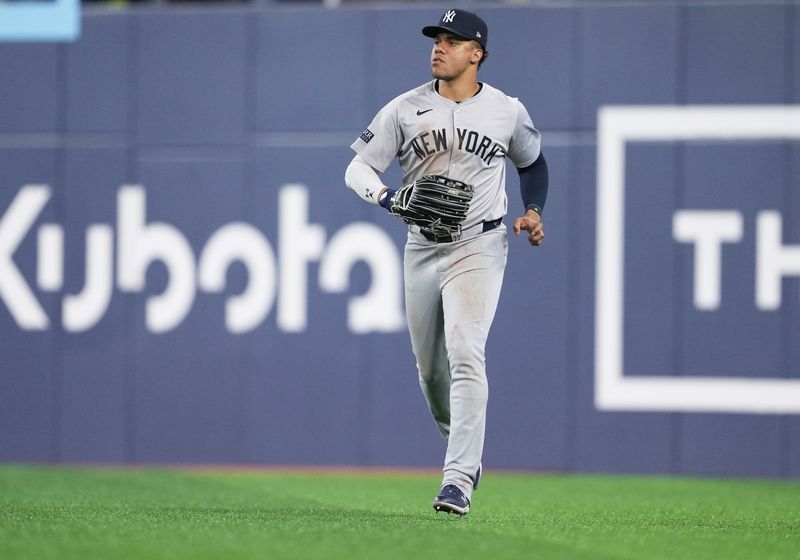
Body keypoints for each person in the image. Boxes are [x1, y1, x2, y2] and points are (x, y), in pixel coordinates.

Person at [344, 8, 548, 516]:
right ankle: (466, 452)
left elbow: (533, 162)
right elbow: (356, 168)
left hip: (479, 244)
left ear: (476, 53)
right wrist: (389, 198)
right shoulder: (404, 108)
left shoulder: (506, 110)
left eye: (452, 40)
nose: (439, 46)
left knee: (464, 349)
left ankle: (457, 478)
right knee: (431, 372)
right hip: (421, 245)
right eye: (437, 38)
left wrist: (533, 211)